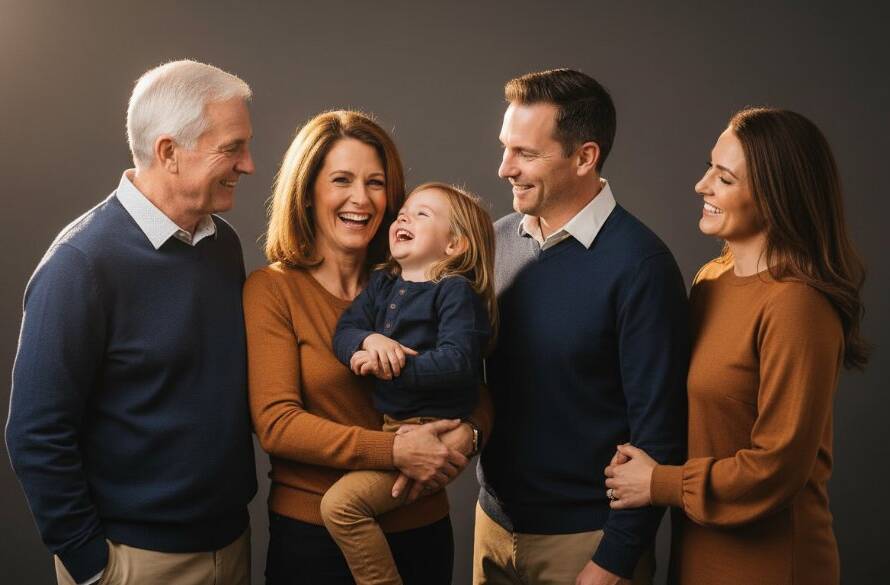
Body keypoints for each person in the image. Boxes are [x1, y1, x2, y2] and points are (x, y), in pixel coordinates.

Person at [5, 60, 257, 585]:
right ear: (169, 152)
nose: (248, 164)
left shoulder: (223, 246)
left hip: (231, 545)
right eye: (232, 148)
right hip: (132, 563)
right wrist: (94, 568)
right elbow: (35, 432)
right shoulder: (80, 265)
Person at [603, 107, 869, 585]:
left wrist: (658, 482)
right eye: (710, 167)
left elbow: (777, 468)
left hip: (769, 563)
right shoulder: (712, 279)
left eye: (723, 178)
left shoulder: (796, 304)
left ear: (774, 196)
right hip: (698, 549)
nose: (701, 186)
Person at [245, 111, 493, 585]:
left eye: (376, 182)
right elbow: (277, 425)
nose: (361, 198)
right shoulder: (272, 290)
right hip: (315, 534)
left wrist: (469, 436)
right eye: (342, 180)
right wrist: (394, 450)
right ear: (308, 190)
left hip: (421, 528)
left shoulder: (423, 280)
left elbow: (474, 385)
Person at [474, 68, 689, 585]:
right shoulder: (496, 240)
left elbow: (659, 432)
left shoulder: (641, 265)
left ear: (585, 157)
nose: (504, 168)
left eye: (525, 153)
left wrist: (614, 560)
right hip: (493, 528)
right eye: (505, 148)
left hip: (587, 544)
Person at [322, 182, 497, 585]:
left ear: (454, 245)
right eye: (404, 212)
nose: (403, 217)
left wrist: (391, 366)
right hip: (393, 432)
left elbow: (459, 363)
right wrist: (369, 342)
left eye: (422, 214)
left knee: (340, 507)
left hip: (430, 429)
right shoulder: (383, 284)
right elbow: (345, 330)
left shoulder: (455, 293)